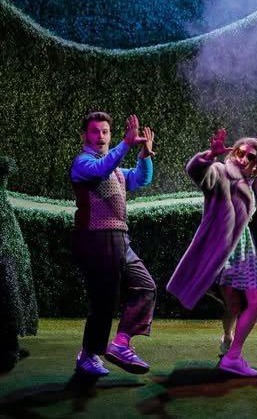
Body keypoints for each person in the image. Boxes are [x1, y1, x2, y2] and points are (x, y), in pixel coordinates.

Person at [167, 129, 257, 376]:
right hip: (222, 251)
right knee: (237, 304)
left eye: (251, 157)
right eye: (240, 153)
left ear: (256, 163)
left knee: (251, 303)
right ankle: (230, 344)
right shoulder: (221, 174)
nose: (243, 159)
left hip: (245, 250)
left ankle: (231, 351)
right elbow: (198, 173)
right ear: (233, 154)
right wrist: (210, 155)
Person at [70, 112, 156, 376]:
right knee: (104, 301)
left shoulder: (115, 169)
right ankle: (88, 354)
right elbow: (100, 169)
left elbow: (141, 179)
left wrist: (144, 156)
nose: (101, 136)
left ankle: (121, 342)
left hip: (119, 239)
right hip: (96, 238)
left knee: (145, 286)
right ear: (85, 136)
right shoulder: (83, 162)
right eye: (95, 132)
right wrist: (126, 144)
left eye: (105, 131)